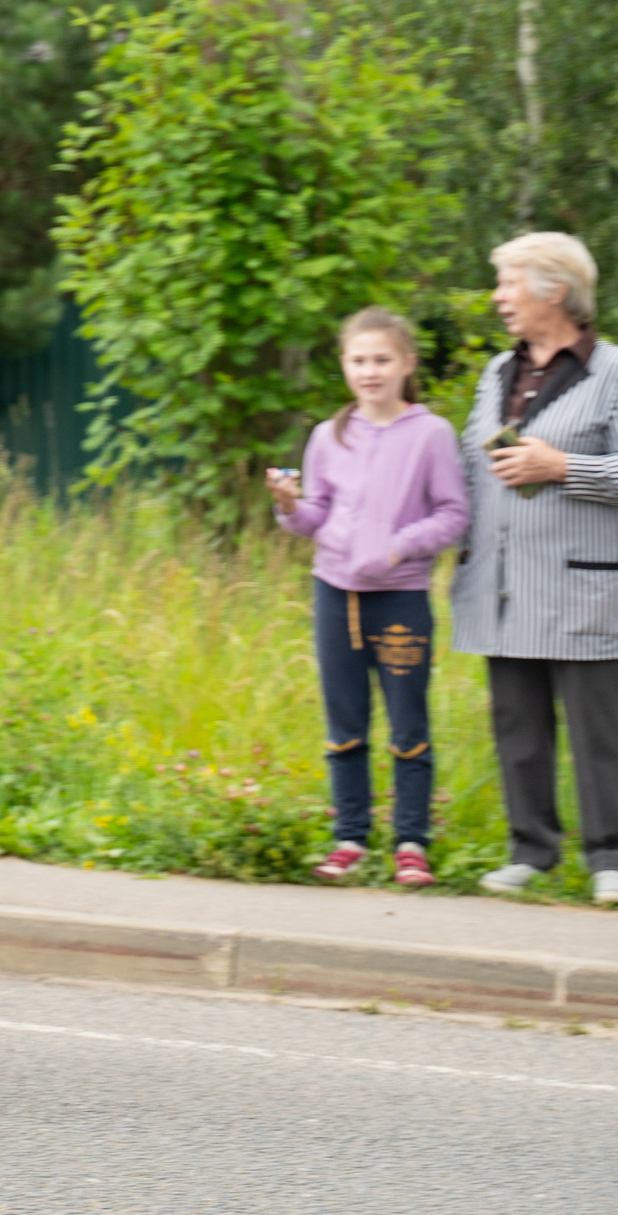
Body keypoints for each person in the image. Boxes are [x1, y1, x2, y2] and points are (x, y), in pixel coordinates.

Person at [451, 233, 618, 907]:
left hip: (580, 580)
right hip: (504, 581)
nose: (498, 297)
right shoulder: (495, 374)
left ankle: (614, 857)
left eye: (509, 283)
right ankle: (531, 849)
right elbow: (468, 462)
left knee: (598, 728)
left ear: (555, 290)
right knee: (518, 723)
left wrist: (562, 466)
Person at [268, 307, 470, 889]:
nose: (370, 371)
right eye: (359, 360)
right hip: (335, 594)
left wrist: (400, 547)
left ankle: (411, 841)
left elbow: (454, 513)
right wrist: (286, 505)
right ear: (344, 366)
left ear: (407, 363)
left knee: (408, 722)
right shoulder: (328, 436)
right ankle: (349, 838)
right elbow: (313, 517)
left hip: (400, 598)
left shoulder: (430, 434)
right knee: (344, 722)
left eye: (382, 360)